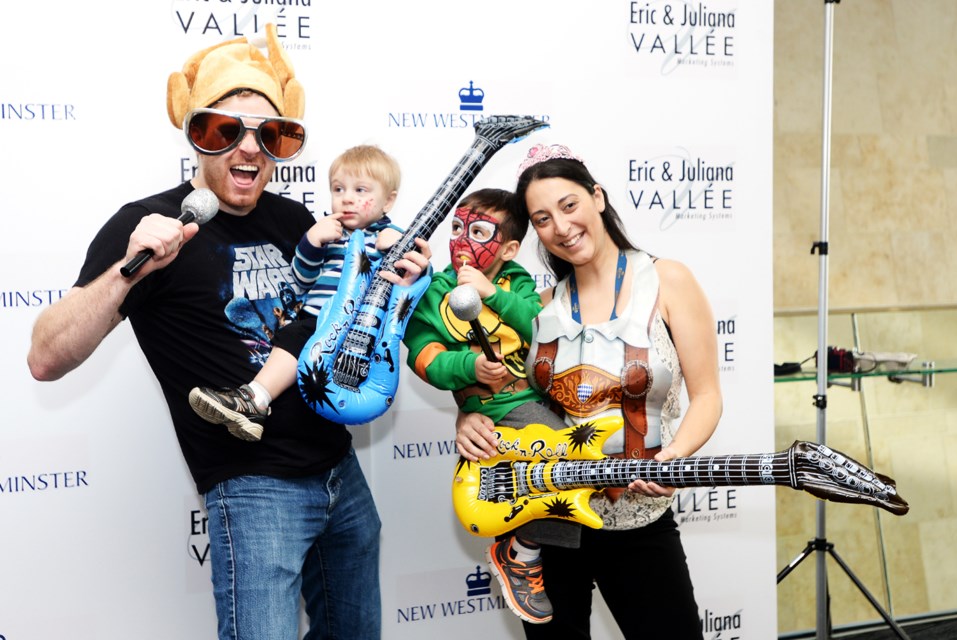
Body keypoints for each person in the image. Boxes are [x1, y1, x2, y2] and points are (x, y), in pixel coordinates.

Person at [26, 25, 430, 640]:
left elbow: (347, 317)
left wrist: (400, 276)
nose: (249, 149)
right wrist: (127, 272)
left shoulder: (299, 220)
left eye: (270, 135)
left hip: (341, 475)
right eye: (224, 130)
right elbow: (46, 357)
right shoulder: (145, 223)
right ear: (196, 137)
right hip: (253, 492)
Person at [455, 144, 722, 639]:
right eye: (542, 218)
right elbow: (496, 387)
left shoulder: (667, 280)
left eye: (569, 205)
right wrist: (466, 416)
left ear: (597, 197)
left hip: (638, 519)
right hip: (547, 520)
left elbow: (707, 396)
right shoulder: (538, 306)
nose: (560, 226)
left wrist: (675, 457)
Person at [402, 188, 580, 625]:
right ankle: (521, 553)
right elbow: (422, 355)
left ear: (509, 248)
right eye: (458, 229)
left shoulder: (517, 282)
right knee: (569, 460)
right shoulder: (436, 290)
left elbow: (541, 327)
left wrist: (492, 295)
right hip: (499, 412)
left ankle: (525, 550)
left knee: (575, 472)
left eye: (479, 232)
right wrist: (471, 367)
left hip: (543, 401)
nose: (463, 242)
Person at [188, 144, 404, 441]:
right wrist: (311, 243)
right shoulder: (330, 233)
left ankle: (255, 398)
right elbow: (301, 280)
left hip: (354, 329)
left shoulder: (389, 237)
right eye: (338, 189)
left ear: (388, 202)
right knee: (290, 336)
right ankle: (256, 402)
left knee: (296, 336)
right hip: (317, 319)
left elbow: (405, 288)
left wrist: (399, 243)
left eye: (361, 190)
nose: (347, 199)